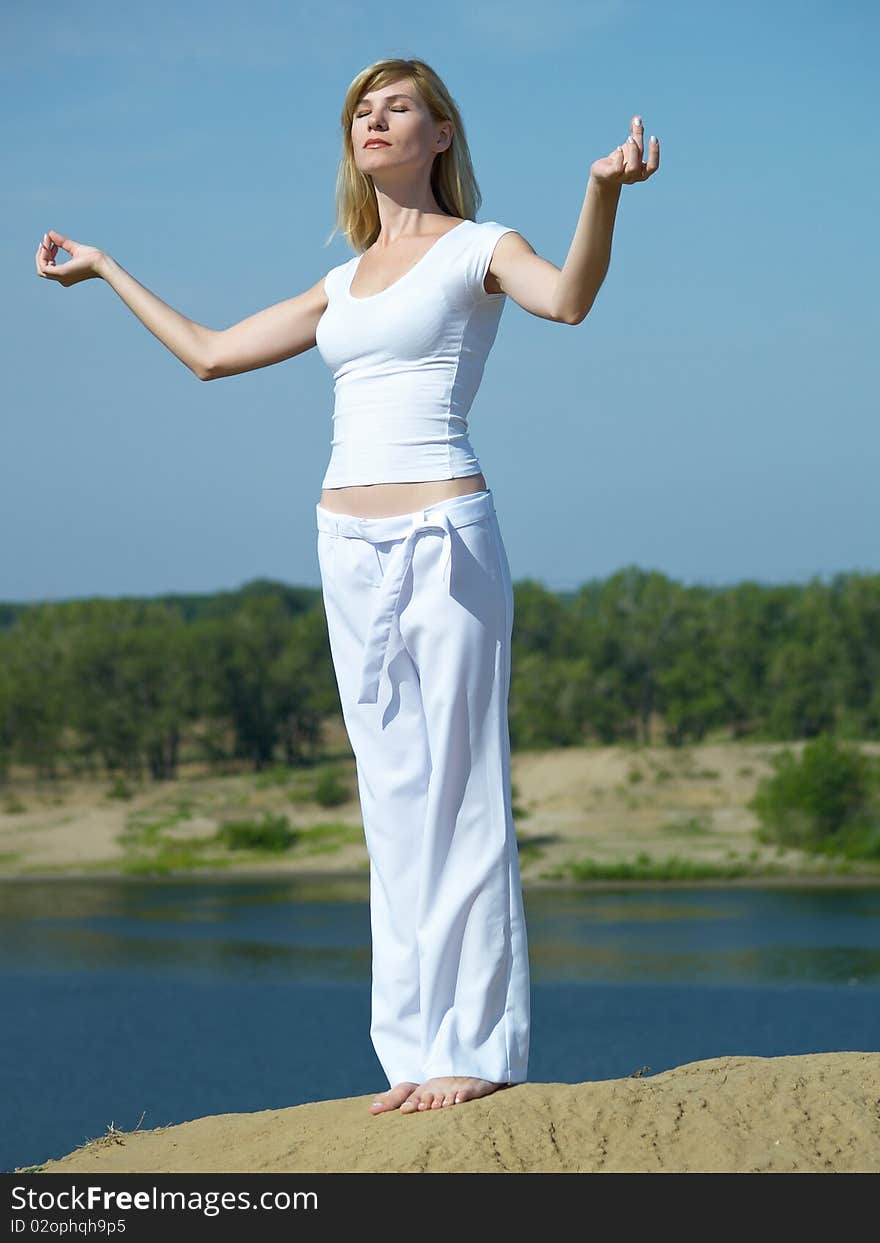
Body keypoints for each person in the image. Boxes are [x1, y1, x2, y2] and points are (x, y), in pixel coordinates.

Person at [35, 57, 659, 1117]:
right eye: (362, 112)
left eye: (398, 106)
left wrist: (600, 190)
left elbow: (569, 301)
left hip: (445, 536)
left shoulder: (479, 247)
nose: (375, 121)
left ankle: (480, 1047)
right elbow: (210, 355)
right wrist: (104, 267)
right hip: (344, 541)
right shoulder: (340, 281)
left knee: (463, 794)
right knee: (393, 802)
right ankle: (411, 1051)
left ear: (442, 134)